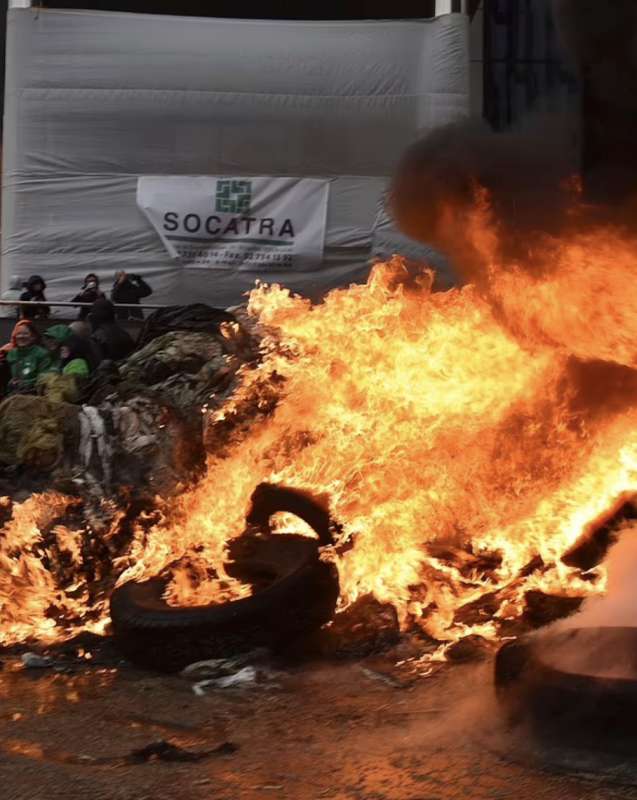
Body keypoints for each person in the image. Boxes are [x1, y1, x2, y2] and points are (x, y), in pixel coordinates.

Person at [6, 321, 52, 394]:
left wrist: (25, 383)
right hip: (13, 393)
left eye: (25, 333)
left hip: (34, 394)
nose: (21, 336)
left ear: (33, 336)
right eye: (18, 334)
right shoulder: (12, 353)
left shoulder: (42, 354)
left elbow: (45, 377)